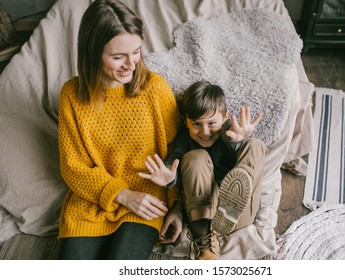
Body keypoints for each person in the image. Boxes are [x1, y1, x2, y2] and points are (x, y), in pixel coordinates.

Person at [57, 0, 183, 260]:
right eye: (118, 57)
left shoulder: (155, 88)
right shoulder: (71, 95)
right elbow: (73, 167)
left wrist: (180, 207)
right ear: (93, 52)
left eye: (136, 51)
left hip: (146, 204)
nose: (131, 64)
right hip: (89, 202)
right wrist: (122, 195)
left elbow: (180, 151)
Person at [139, 81, 268, 260]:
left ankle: (234, 197)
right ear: (185, 121)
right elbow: (173, 161)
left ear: (225, 118)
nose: (205, 131)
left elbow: (233, 143)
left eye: (211, 123)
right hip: (202, 212)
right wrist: (169, 176)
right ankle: (206, 249)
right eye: (196, 124)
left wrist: (238, 142)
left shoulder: (228, 132)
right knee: (195, 156)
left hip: (240, 212)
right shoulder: (184, 140)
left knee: (255, 145)